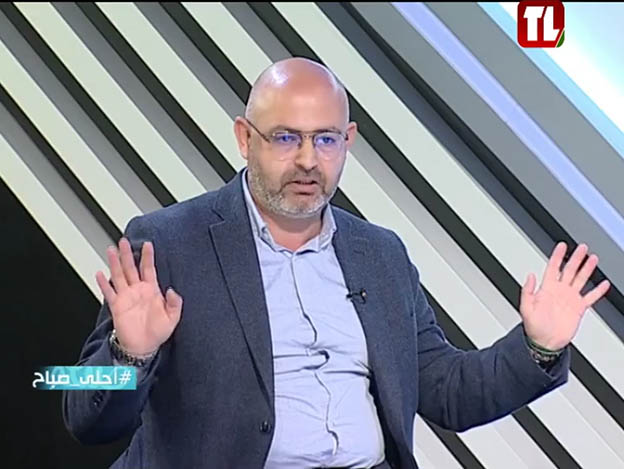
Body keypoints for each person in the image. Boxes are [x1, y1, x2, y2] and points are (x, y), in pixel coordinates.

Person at [63, 57, 611, 469]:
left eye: (325, 139)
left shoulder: (381, 255)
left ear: (347, 141)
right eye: (285, 138)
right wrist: (129, 354)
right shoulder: (167, 242)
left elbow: (448, 391)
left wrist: (538, 346)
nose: (308, 160)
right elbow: (81, 411)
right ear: (244, 138)